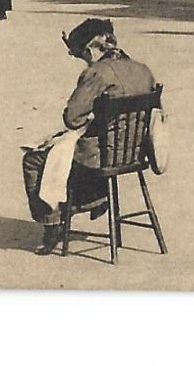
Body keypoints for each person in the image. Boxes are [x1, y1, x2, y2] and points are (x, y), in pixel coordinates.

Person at [21, 17, 156, 255]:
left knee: (34, 159)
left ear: (91, 49)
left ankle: (52, 224)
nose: (84, 61)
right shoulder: (144, 70)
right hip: (134, 153)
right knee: (69, 149)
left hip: (102, 156)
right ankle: (97, 194)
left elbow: (72, 118)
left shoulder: (97, 73)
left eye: (82, 56)